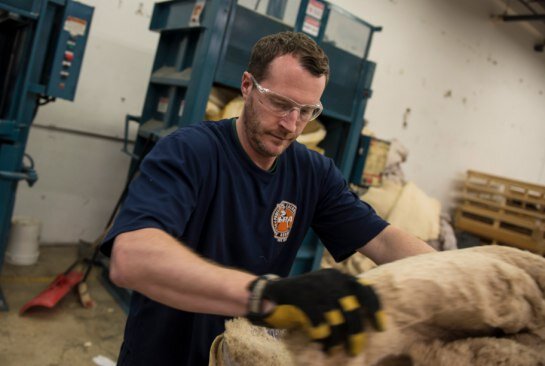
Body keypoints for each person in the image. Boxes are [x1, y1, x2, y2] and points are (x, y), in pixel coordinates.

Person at [100, 31, 435, 366]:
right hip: (165, 356)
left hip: (242, 357)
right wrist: (266, 294)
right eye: (280, 103)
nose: (291, 125)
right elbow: (132, 258)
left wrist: (475, 274)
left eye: (306, 111)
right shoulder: (190, 152)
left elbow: (385, 241)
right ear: (247, 86)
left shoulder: (313, 173)